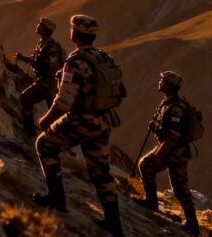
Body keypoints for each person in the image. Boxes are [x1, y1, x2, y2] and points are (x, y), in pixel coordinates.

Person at [34, 14, 124, 237]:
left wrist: (47, 119)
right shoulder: (104, 58)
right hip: (103, 122)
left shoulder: (76, 62)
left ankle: (56, 199)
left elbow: (64, 99)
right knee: (101, 171)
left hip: (81, 121)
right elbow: (120, 92)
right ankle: (114, 223)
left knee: (45, 146)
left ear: (75, 34)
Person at [133, 71, 200, 235]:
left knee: (147, 165)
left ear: (169, 85)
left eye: (162, 81)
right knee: (180, 186)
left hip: (174, 150)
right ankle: (192, 224)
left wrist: (159, 156)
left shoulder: (175, 107)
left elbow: (173, 136)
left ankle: (151, 202)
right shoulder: (170, 103)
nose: (159, 82)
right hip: (178, 150)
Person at [15, 18, 65, 137]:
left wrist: (49, 85)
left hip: (48, 83)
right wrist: (23, 58)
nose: (38, 26)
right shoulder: (43, 44)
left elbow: (53, 68)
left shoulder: (51, 48)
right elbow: (36, 58)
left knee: (25, 98)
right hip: (46, 82)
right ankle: (53, 134)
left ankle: (30, 132)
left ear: (45, 30)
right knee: (52, 112)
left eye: (40, 25)